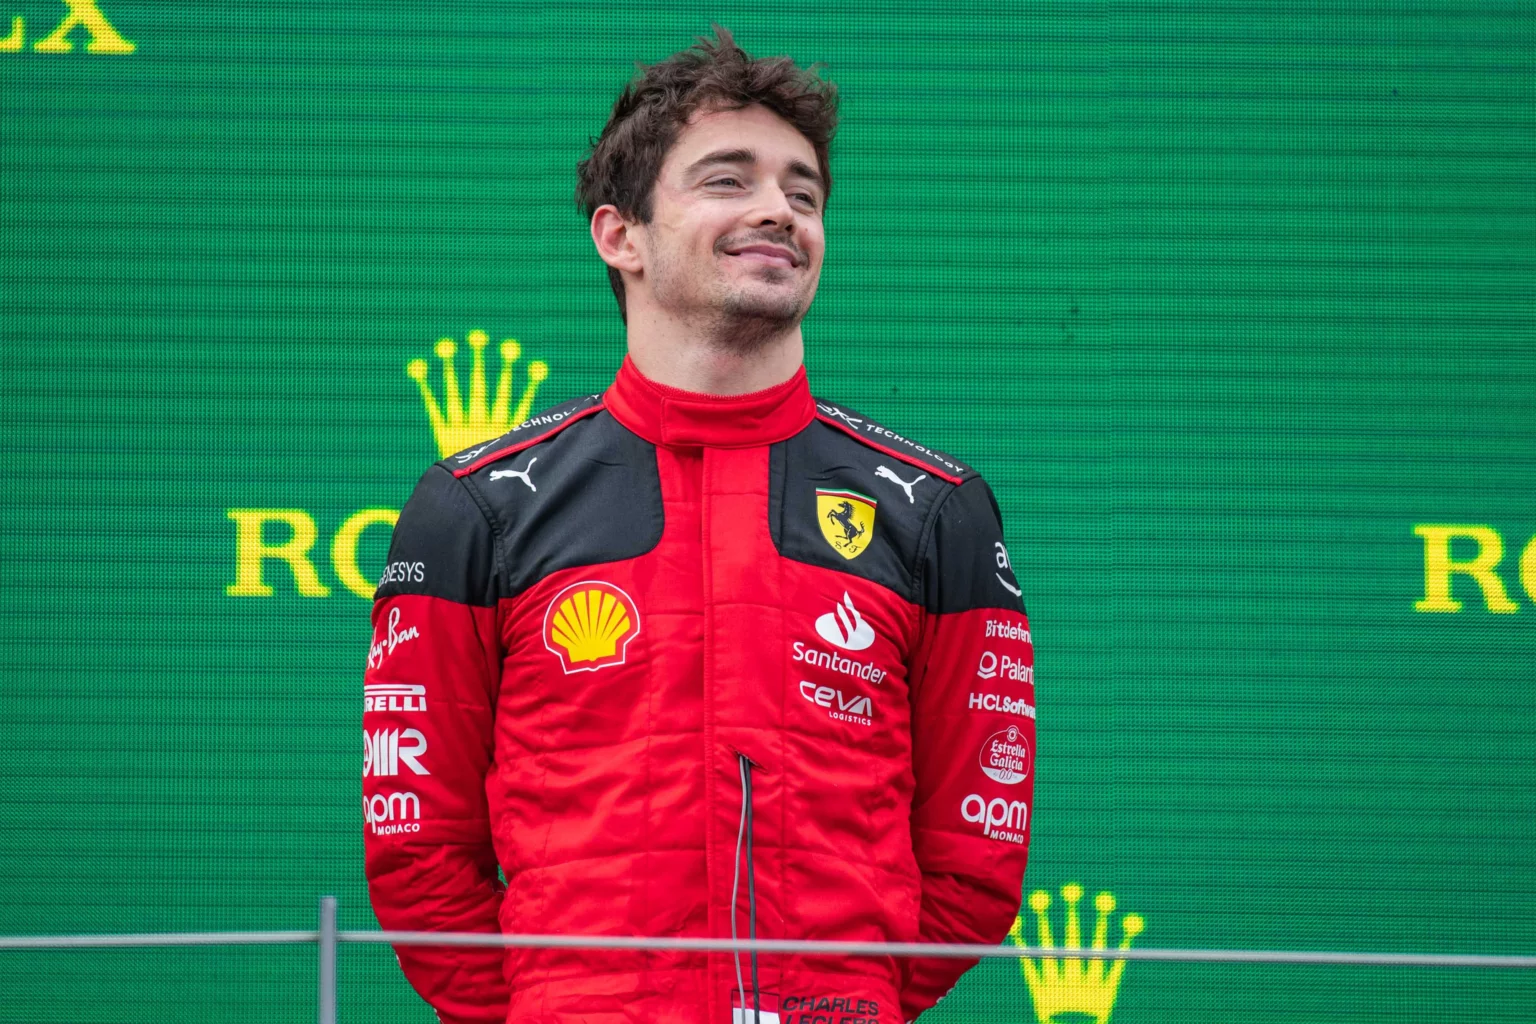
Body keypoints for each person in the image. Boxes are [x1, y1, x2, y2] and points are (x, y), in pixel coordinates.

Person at [363, 27, 1035, 1024]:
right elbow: (418, 848)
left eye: (803, 193)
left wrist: (838, 1001)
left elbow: (976, 856)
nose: (779, 209)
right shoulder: (478, 507)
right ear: (618, 236)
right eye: (729, 180)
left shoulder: (935, 507)